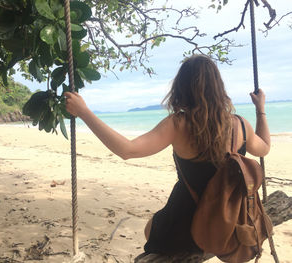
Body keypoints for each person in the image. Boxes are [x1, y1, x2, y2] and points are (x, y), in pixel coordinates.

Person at [65, 54, 270, 256]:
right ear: (218, 87)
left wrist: (84, 112)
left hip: (185, 230)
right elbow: (264, 148)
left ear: (182, 87)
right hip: (231, 225)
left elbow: (126, 150)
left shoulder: (178, 124)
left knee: (150, 228)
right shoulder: (241, 125)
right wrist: (260, 109)